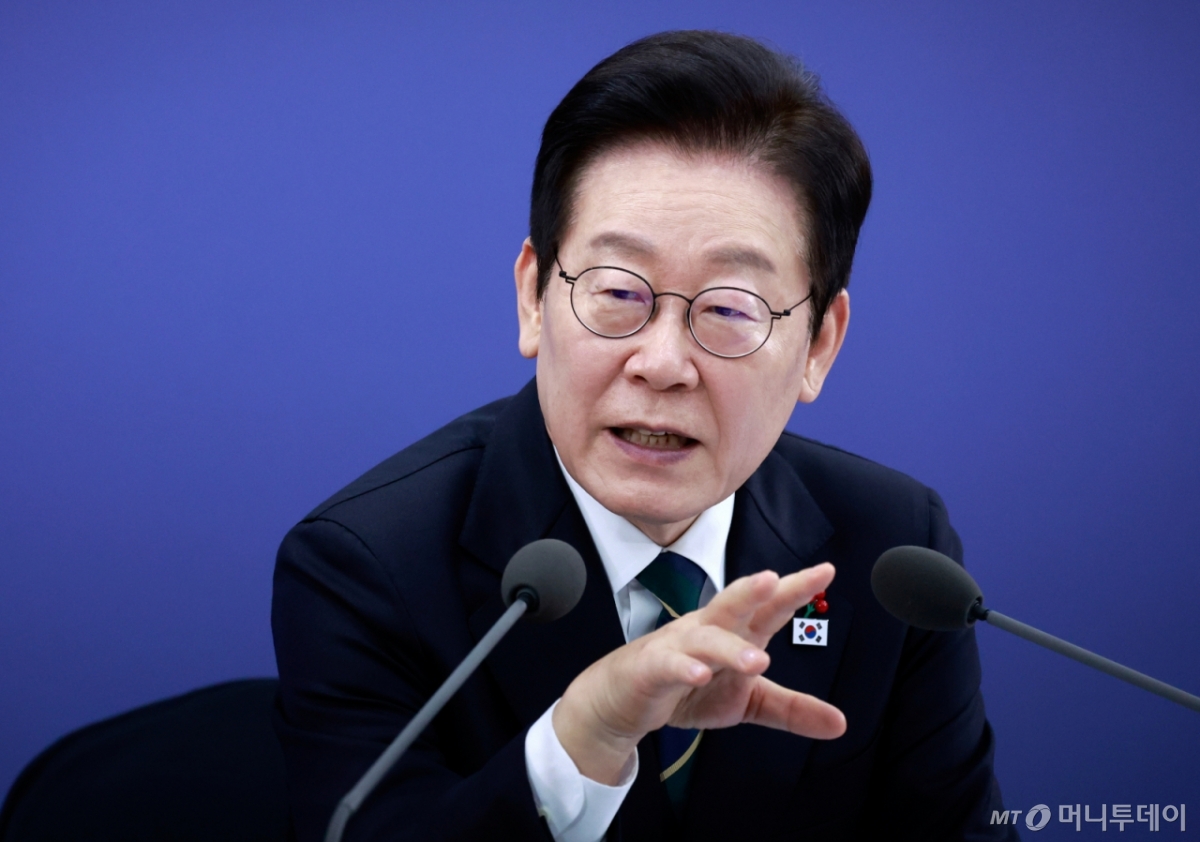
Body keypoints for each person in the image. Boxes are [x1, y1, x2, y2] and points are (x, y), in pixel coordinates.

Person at [271, 30, 1017, 841]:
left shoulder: (894, 551)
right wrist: (582, 739)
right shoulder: (368, 567)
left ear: (819, 346)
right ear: (533, 297)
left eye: (729, 308)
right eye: (619, 292)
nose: (662, 364)